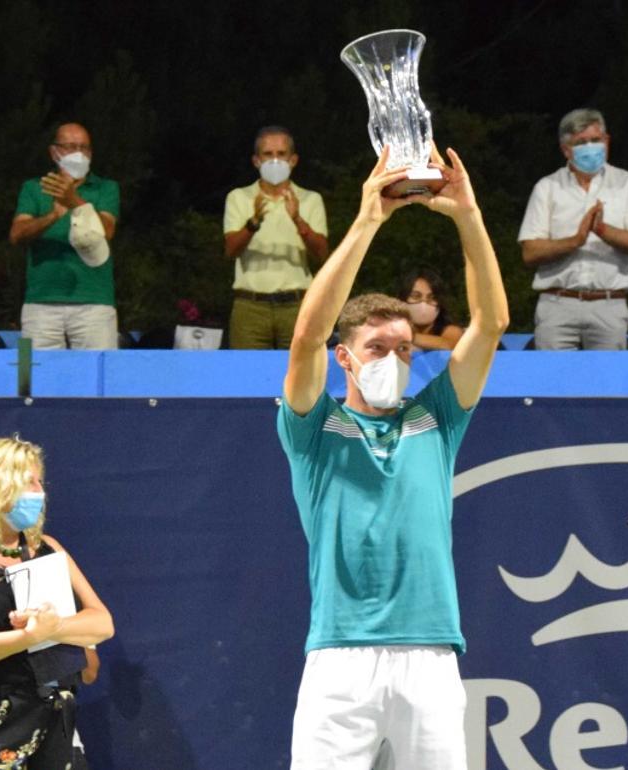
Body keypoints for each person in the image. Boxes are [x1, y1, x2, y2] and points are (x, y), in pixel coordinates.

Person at [279, 145, 508, 768]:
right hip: (340, 657)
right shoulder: (315, 426)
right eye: (376, 348)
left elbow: (489, 324)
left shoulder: (437, 418)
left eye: (404, 350)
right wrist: (366, 221)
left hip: (430, 657)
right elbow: (305, 336)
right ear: (344, 359)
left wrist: (468, 215)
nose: (394, 361)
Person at [0, 437, 114, 769]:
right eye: (29, 482)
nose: (39, 491)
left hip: (53, 714)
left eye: (39, 481)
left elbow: (102, 623)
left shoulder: (48, 548)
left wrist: (56, 628)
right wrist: (28, 637)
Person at [518, 108, 628, 350]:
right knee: (553, 385)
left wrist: (602, 230)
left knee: (608, 385)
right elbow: (530, 252)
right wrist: (575, 241)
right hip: (557, 304)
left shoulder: (626, 183)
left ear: (607, 141)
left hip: (609, 304)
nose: (591, 147)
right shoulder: (547, 187)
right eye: (581, 142)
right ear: (566, 149)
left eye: (596, 140)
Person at [9, 122, 121, 350]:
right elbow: (16, 235)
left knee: (98, 377)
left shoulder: (106, 188)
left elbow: (107, 231)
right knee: (32, 376)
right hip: (40, 303)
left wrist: (75, 202)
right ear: (54, 152)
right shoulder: (34, 188)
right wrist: (52, 215)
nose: (79, 153)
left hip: (94, 302)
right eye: (70, 147)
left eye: (84, 147)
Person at [223, 126, 329, 349]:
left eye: (281, 155)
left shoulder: (310, 199)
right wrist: (253, 223)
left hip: (296, 304)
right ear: (256, 161)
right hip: (250, 306)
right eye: (268, 154)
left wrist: (298, 220)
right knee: (248, 376)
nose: (275, 161)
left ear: (293, 160)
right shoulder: (239, 197)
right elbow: (230, 250)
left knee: (299, 378)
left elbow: (322, 253)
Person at [397, 266, 463, 351]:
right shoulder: (393, 325)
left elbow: (448, 345)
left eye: (431, 298)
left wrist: (404, 335)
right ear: (403, 299)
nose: (423, 302)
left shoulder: (451, 330)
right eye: (416, 296)